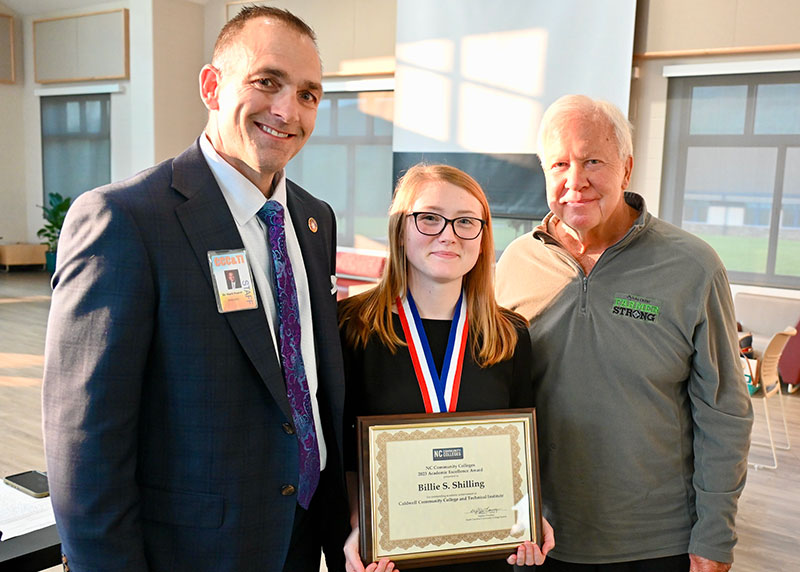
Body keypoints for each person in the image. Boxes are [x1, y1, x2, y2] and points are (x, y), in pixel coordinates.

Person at [42, 7, 348, 571]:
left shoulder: (314, 219)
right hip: (193, 552)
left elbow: (307, 377)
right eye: (266, 81)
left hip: (302, 537)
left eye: (308, 94)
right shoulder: (126, 220)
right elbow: (84, 447)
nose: (287, 110)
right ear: (211, 86)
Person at [496, 95, 753, 572]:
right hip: (538, 538)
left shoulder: (693, 266)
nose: (577, 181)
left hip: (656, 543)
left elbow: (725, 412)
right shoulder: (514, 264)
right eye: (559, 164)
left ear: (626, 168)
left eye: (593, 160)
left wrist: (715, 537)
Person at [338, 164, 556, 572]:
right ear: (401, 228)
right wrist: (360, 527)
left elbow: (519, 451)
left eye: (466, 222)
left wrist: (526, 516)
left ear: (482, 237)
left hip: (481, 555)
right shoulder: (352, 326)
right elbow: (344, 452)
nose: (449, 234)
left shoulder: (510, 335)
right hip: (385, 558)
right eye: (430, 218)